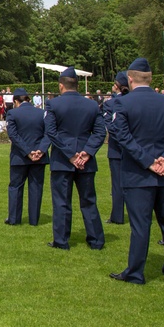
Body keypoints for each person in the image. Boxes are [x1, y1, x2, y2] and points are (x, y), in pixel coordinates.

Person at [107, 58, 164, 284]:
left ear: (130, 79)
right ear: (151, 79)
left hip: (138, 174)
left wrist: (148, 161)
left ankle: (135, 273)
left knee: (140, 226)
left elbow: (122, 137)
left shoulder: (123, 104)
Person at [44, 67, 107, 250]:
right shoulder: (92, 105)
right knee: (88, 201)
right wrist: (86, 152)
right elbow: (100, 132)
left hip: (63, 160)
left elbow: (51, 133)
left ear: (61, 86)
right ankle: (96, 240)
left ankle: (61, 240)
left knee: (62, 202)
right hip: (85, 160)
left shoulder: (53, 104)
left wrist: (70, 155)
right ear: (77, 85)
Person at [5, 87, 49, 226]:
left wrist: (27, 151)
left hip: (20, 156)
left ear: (16, 101)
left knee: (16, 186)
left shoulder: (12, 113)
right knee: (36, 187)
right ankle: (34, 219)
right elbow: (49, 134)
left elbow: (13, 135)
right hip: (39, 156)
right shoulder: (42, 113)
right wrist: (40, 150)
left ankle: (14, 219)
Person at [103, 72, 130, 225]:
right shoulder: (132, 100)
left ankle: (117, 216)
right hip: (132, 147)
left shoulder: (111, 103)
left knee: (117, 184)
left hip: (116, 149)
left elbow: (110, 126)